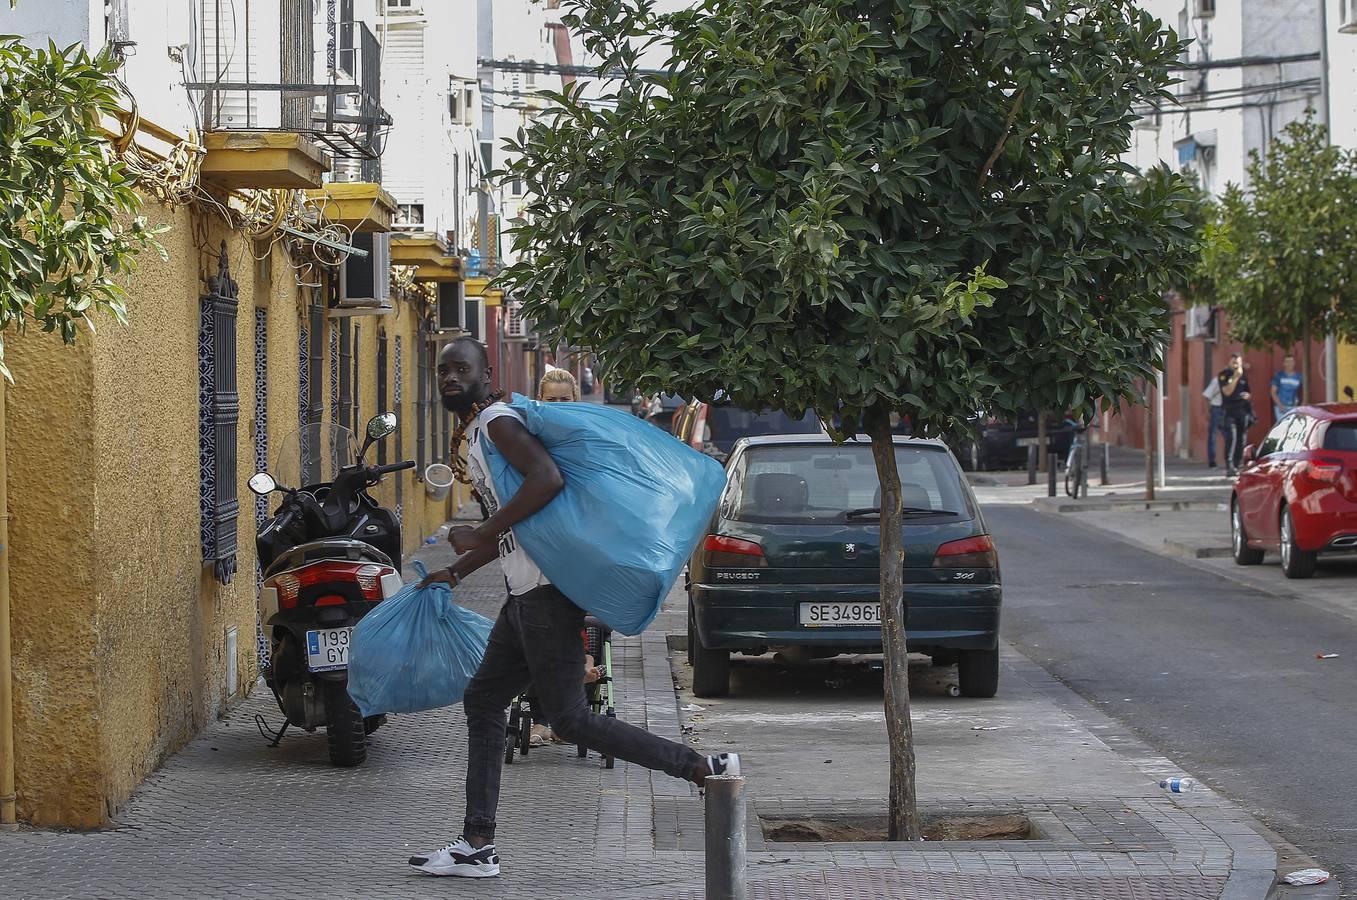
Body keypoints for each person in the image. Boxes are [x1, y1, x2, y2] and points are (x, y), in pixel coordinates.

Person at [409, 337, 739, 879]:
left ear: (485, 373)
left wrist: (483, 529)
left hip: (544, 596)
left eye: (461, 368)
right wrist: (456, 571)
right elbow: (523, 521)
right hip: (525, 597)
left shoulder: (496, 422)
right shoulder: (480, 429)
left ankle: (703, 769)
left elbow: (547, 479)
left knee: (570, 719)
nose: (450, 377)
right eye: (443, 370)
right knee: (484, 700)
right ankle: (476, 844)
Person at [1218, 353, 1254, 476]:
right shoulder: (1224, 375)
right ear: (1229, 362)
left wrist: (1248, 396)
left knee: (1241, 439)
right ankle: (1229, 466)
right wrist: (1235, 377)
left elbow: (1248, 391)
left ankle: (1238, 464)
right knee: (1231, 438)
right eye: (1233, 362)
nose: (1236, 365)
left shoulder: (1244, 376)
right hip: (1229, 410)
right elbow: (1227, 392)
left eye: (1238, 363)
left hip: (1242, 410)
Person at [1270, 354, 1303, 423]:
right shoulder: (1279, 375)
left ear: (1294, 363)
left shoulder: (1299, 377)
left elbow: (1304, 392)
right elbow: (1273, 392)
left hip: (1294, 407)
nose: (1289, 364)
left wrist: (1301, 406)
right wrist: (1280, 405)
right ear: (1284, 363)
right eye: (1287, 362)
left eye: (1291, 361)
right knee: (1282, 429)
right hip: (1281, 408)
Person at [1202, 373, 1225, 468]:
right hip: (1216, 409)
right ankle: (1212, 460)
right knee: (1213, 435)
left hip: (1227, 409)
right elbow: (1206, 396)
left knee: (1230, 436)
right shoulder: (1218, 380)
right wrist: (1207, 411)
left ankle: (1230, 460)